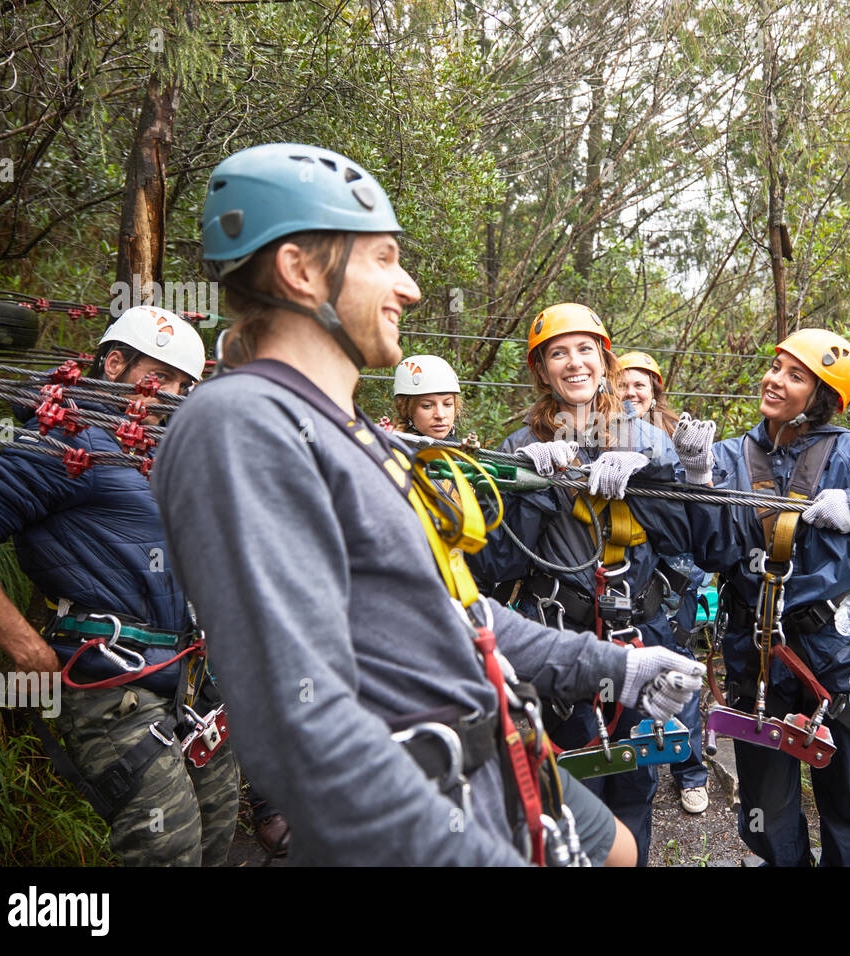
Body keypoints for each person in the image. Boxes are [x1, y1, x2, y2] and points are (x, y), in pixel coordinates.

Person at [152, 143, 703, 866]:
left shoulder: (356, 433)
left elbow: (455, 610)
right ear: (300, 270)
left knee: (620, 851)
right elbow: (296, 718)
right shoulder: (241, 427)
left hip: (495, 744)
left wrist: (612, 667)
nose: (409, 287)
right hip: (416, 787)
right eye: (383, 258)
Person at [0, 305, 241, 866]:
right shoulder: (60, 445)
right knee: (169, 849)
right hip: (112, 685)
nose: (172, 397)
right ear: (113, 365)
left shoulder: (153, 455)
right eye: (161, 378)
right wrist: (25, 647)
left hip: (189, 681)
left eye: (184, 386)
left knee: (217, 833)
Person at [676, 328, 850, 866]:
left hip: (838, 647)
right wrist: (697, 480)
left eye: (795, 375)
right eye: (776, 367)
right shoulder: (729, 457)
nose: (774, 380)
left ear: (822, 396)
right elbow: (710, 551)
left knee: (846, 785)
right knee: (764, 797)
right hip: (756, 646)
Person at [467, 305, 698, 864]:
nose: (574, 363)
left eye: (584, 350)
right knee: (576, 785)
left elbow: (689, 541)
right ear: (541, 369)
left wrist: (657, 474)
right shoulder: (518, 447)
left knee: (636, 783)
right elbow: (494, 564)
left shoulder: (650, 439)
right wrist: (532, 485)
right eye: (558, 353)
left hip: (640, 628)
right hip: (563, 637)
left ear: (604, 359)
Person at [618, 350, 710, 814]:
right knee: (638, 674)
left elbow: (697, 514)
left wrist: (690, 580)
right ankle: (641, 762)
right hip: (638, 581)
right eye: (623, 384)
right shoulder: (603, 436)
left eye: (640, 385)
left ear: (655, 391)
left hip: (678, 581)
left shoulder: (679, 439)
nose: (631, 393)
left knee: (680, 670)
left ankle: (690, 773)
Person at [392, 353, 466, 441]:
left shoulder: (454, 445)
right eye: (427, 406)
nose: (440, 415)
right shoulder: (393, 447)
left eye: (447, 404)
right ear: (405, 409)